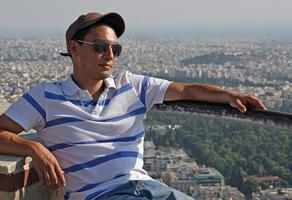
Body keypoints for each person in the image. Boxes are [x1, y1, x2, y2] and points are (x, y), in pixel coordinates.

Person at [0, 12, 266, 200]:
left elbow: (185, 89)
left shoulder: (132, 85)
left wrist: (230, 95)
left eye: (116, 49)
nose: (110, 55)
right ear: (75, 48)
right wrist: (33, 148)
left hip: (149, 189)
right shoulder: (46, 97)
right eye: (101, 47)